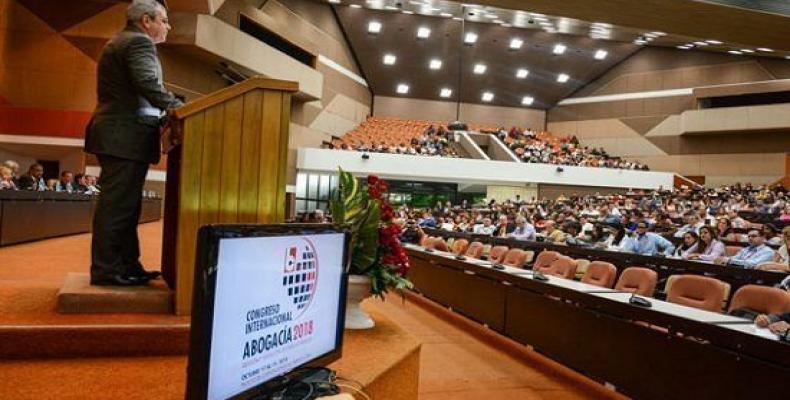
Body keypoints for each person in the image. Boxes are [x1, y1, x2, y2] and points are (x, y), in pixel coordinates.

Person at [85, 0, 183, 286]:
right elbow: (147, 84)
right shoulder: (138, 43)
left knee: (125, 207)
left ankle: (127, 265)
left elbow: (141, 86)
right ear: (146, 20)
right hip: (123, 135)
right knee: (118, 206)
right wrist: (175, 106)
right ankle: (107, 270)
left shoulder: (125, 41)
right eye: (164, 20)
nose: (168, 26)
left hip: (121, 135)